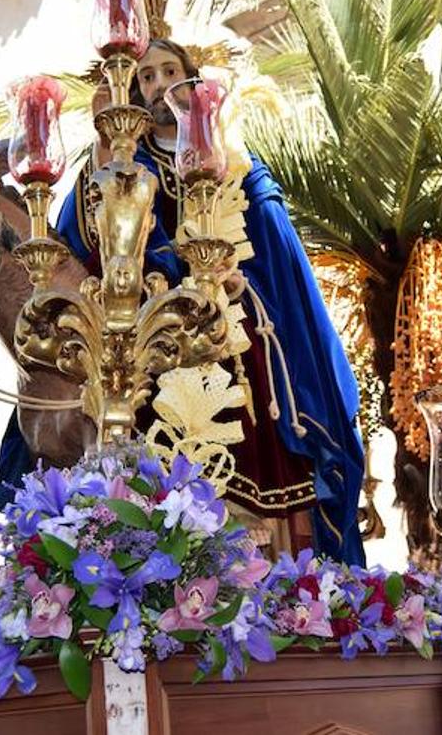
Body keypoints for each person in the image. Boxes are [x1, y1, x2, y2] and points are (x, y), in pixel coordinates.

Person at [50, 36, 367, 565]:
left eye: (168, 71)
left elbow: (274, 247)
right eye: (145, 77)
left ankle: (289, 577)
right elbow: (95, 244)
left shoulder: (234, 161)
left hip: (239, 323)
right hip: (159, 333)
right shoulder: (125, 168)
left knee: (258, 371)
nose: (157, 85)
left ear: (191, 78)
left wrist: (242, 279)